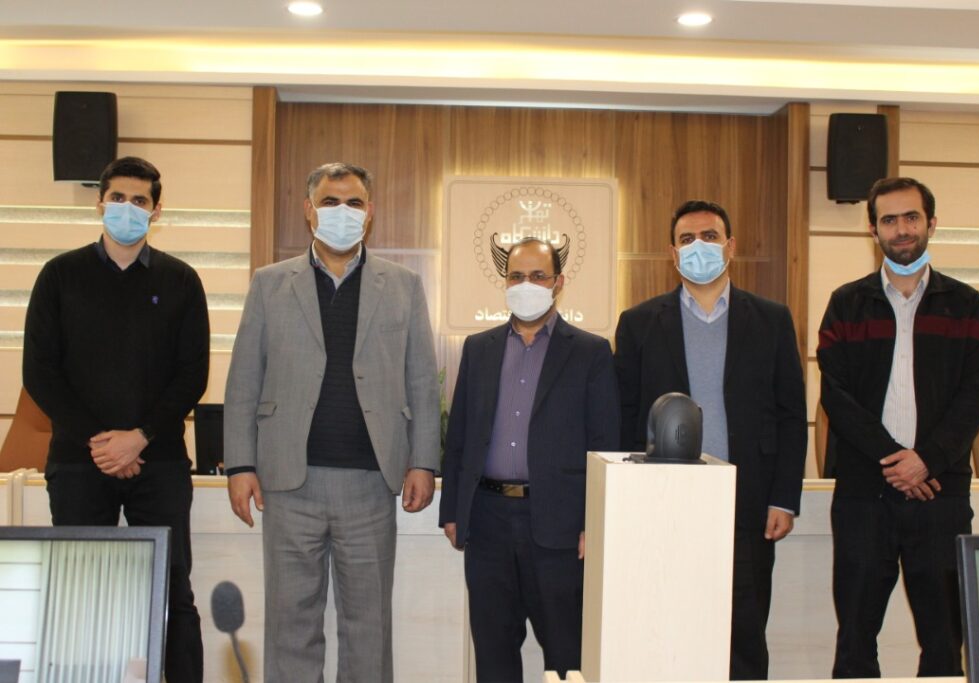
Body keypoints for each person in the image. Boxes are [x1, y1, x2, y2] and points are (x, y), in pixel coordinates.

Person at [224, 162, 439, 683]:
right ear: (309, 210)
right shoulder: (269, 284)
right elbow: (244, 380)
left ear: (370, 213)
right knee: (290, 625)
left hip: (370, 484)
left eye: (354, 203)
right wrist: (240, 465)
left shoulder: (403, 285)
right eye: (330, 201)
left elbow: (421, 380)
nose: (342, 212)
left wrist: (424, 462)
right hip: (288, 483)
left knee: (368, 627)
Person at [23, 156, 209, 683]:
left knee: (172, 591)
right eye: (118, 198)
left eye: (140, 200)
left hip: (160, 462)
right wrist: (103, 444)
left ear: (157, 211)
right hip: (79, 463)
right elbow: (39, 372)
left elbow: (191, 375)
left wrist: (139, 438)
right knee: (80, 591)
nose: (128, 208)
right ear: (100, 203)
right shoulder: (59, 275)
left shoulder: (181, 280)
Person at [614, 200, 806, 680]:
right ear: (672, 254)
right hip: (663, 504)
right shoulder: (639, 322)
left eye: (710, 236)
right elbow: (625, 418)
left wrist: (784, 498)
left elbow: (790, 414)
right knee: (666, 632)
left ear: (730, 246)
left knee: (743, 635)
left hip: (748, 501)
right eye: (687, 239)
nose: (698, 246)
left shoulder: (772, 319)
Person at [818, 177, 979, 678]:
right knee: (854, 641)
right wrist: (895, 461)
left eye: (911, 217)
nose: (902, 229)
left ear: (931, 223)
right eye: (890, 219)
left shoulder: (965, 304)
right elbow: (837, 396)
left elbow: (974, 396)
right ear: (872, 229)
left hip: (940, 496)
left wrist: (926, 461)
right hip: (863, 497)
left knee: (944, 643)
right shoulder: (846, 304)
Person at [439, 237, 620, 681]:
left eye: (538, 276)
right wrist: (453, 512)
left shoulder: (590, 352)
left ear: (559, 282)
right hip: (487, 523)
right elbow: (459, 435)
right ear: (505, 282)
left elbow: (605, 443)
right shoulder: (479, 348)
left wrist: (594, 524)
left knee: (567, 656)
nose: (526, 285)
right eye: (516, 276)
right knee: (493, 655)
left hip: (559, 526)